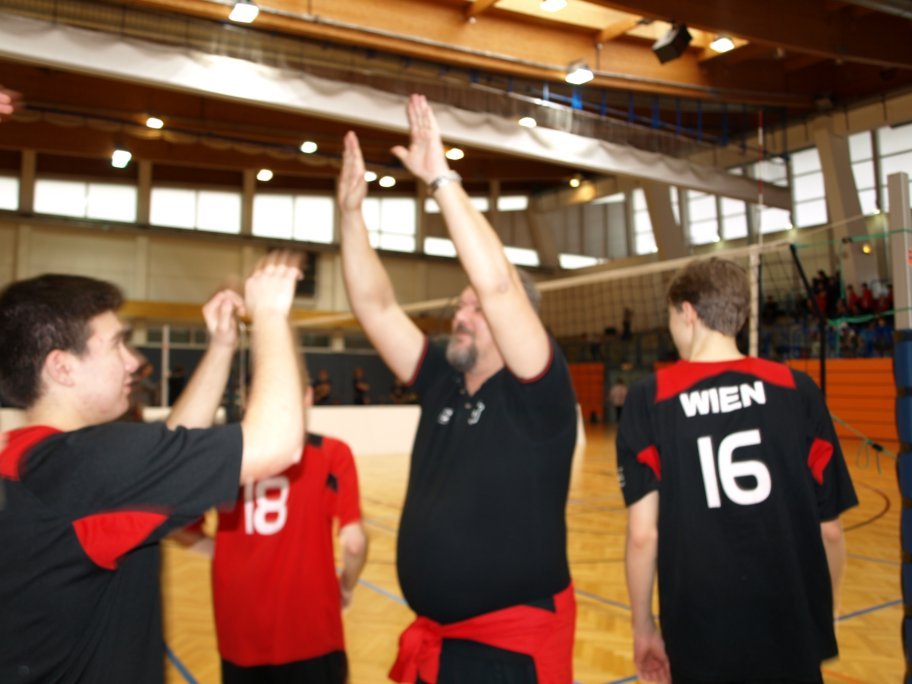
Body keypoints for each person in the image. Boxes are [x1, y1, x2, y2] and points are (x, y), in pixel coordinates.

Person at [338, 94, 578, 683]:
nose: (461, 315)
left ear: (516, 324)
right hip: (439, 643)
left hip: (510, 651)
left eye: (475, 308)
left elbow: (498, 285)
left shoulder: (536, 392)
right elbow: (375, 306)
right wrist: (350, 216)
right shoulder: (443, 380)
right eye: (461, 305)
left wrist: (441, 179)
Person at [0, 251, 306, 682]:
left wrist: (221, 347)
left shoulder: (34, 461)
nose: (133, 361)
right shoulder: (89, 464)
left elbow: (165, 459)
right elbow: (275, 445)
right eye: (116, 345)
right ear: (62, 367)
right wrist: (271, 316)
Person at [616, 257, 857, 683]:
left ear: (687, 312)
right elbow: (831, 531)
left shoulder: (650, 398)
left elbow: (642, 535)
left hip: (700, 632)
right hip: (791, 626)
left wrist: (643, 627)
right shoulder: (797, 389)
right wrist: (827, 610)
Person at [182, 388, 368, 684]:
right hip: (312, 631)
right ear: (308, 396)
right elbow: (354, 544)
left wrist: (227, 551)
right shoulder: (330, 452)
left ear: (248, 400)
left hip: (239, 633)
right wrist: (345, 589)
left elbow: (179, 527)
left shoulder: (223, 455)